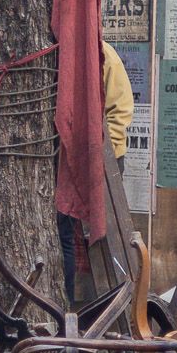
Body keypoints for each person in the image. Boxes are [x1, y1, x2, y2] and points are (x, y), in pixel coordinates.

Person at [56, 41, 134, 306]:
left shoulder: (103, 54)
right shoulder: (60, 53)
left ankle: (117, 302)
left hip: (103, 158)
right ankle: (67, 302)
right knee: (63, 231)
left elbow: (120, 109)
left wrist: (103, 154)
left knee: (107, 232)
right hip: (68, 160)